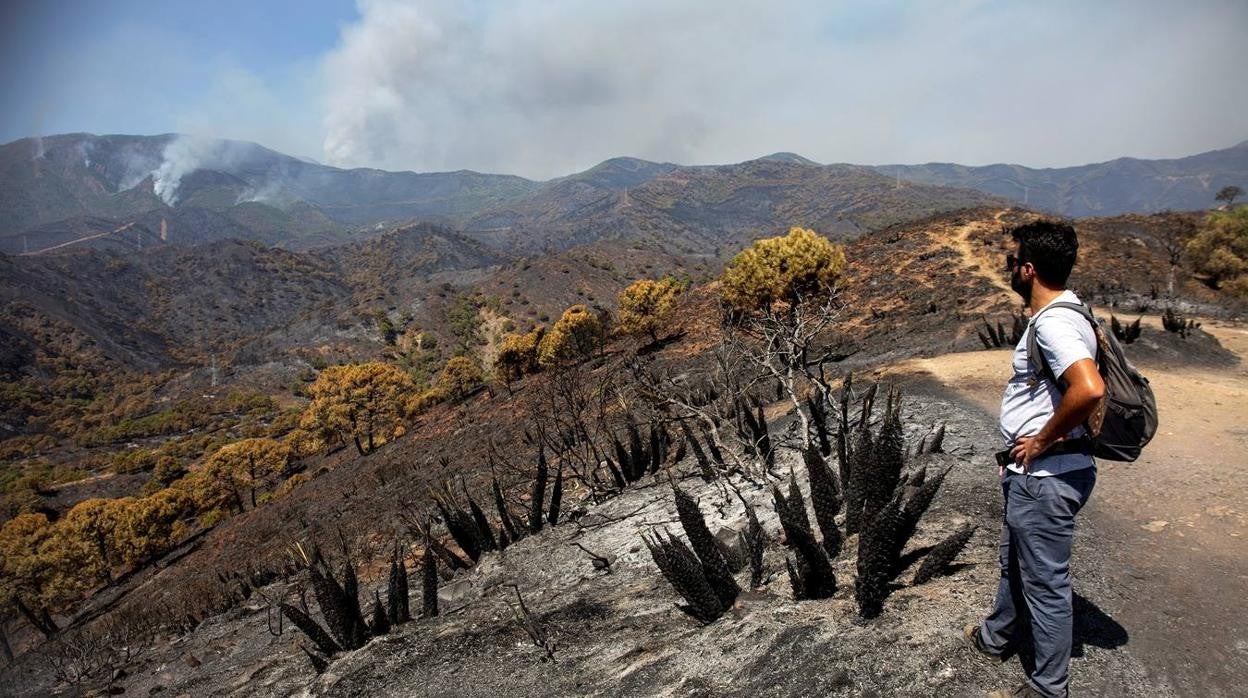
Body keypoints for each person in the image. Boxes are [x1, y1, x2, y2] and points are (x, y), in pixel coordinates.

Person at [964, 220, 1106, 698]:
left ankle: (1049, 688)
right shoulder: (1072, 313)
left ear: (1028, 269)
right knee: (1015, 563)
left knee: (1045, 583)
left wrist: (1041, 441)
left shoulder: (1055, 322)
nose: (1009, 269)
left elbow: (1089, 389)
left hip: (1048, 474)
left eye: (1012, 262)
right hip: (1038, 473)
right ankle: (996, 635)